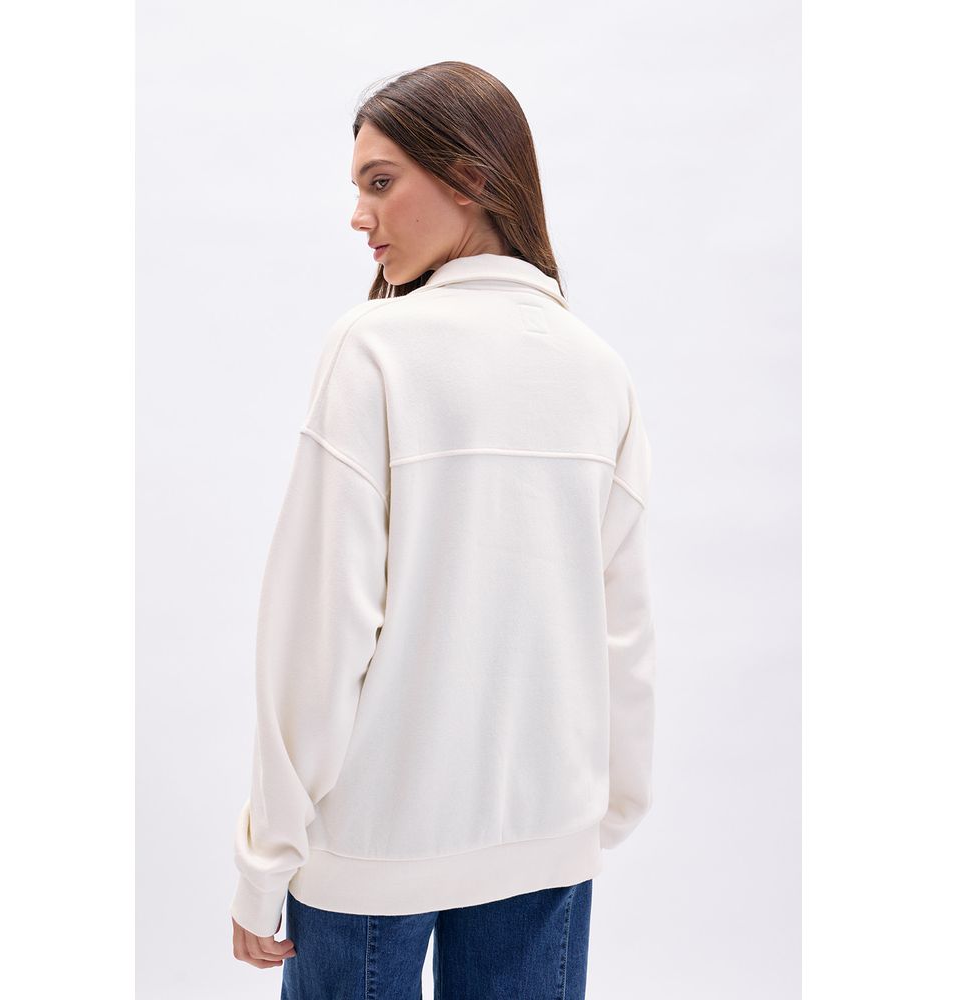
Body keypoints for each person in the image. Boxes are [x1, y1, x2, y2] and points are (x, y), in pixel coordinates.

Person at [229, 61, 657, 999]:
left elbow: (318, 630)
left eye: (381, 182)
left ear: (470, 177)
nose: (359, 216)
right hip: (546, 841)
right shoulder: (600, 369)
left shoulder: (372, 348)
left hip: (372, 850)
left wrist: (267, 859)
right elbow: (622, 632)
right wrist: (602, 813)